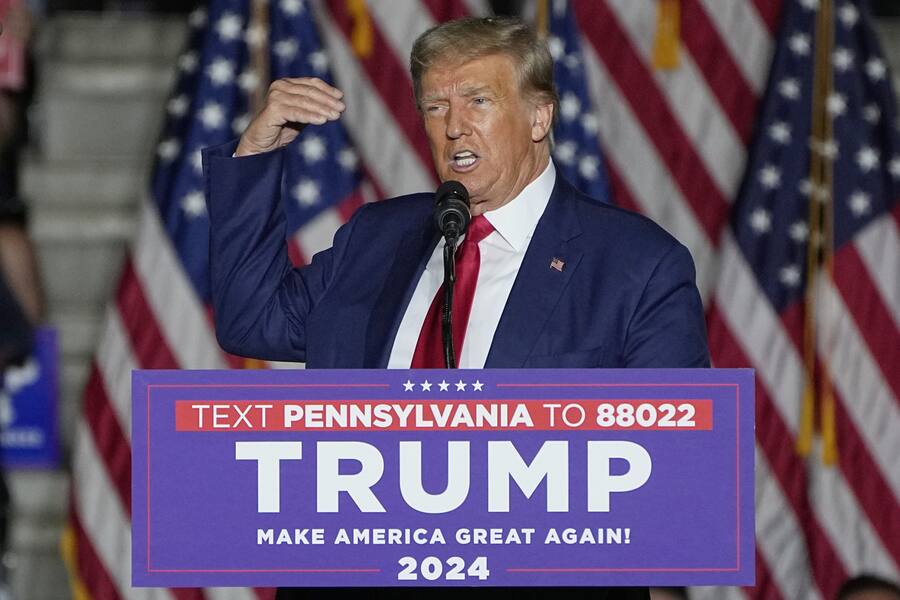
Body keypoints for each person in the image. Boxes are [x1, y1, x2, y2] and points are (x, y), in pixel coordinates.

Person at [204, 16, 708, 600]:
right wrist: (255, 152)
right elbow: (252, 320)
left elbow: (674, 478)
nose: (454, 127)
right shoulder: (378, 236)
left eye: (478, 100)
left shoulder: (636, 265)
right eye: (435, 107)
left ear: (539, 116)